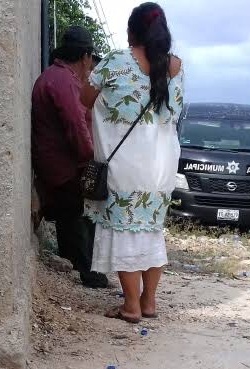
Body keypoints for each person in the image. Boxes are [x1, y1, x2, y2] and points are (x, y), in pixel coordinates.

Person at [81, 3, 183, 322]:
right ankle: (149, 302)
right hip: (163, 164)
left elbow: (85, 100)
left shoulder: (115, 61)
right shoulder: (175, 66)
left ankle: (131, 307)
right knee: (151, 230)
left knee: (124, 230)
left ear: (132, 31)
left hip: (125, 163)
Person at [31, 26, 109, 289]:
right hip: (63, 169)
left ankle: (78, 263)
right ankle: (90, 272)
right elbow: (76, 126)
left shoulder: (58, 77)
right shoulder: (62, 81)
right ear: (85, 56)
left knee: (78, 213)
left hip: (59, 166)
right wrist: (92, 161)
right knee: (86, 208)